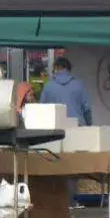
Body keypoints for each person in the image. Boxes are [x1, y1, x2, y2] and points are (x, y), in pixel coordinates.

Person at [39, 57, 92, 208]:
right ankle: (71, 200)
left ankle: (56, 201)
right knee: (72, 167)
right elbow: (87, 108)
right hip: (77, 130)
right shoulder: (79, 85)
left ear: (56, 68)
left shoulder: (49, 87)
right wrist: (89, 126)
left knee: (55, 164)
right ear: (69, 69)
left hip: (55, 132)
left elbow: (42, 109)